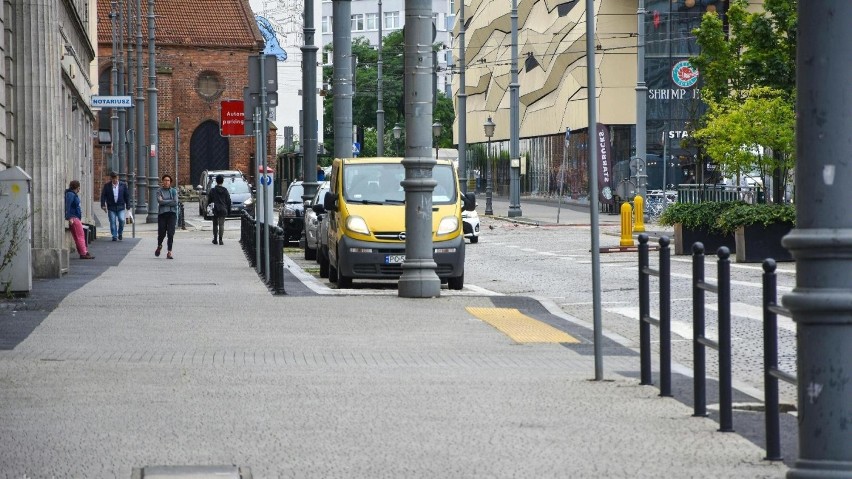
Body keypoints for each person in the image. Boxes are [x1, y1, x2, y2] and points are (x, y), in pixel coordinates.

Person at [64, 180, 94, 259]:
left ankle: (83, 252)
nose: (79, 189)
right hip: (74, 218)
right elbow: (68, 206)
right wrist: (69, 217)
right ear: (77, 187)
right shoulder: (71, 194)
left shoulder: (71, 194)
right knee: (80, 235)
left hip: (75, 217)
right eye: (79, 187)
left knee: (78, 236)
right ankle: (84, 253)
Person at [99, 171, 131, 241]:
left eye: (116, 178)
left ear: (118, 177)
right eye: (113, 178)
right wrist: (103, 205)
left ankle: (120, 233)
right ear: (111, 178)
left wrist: (128, 206)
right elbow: (103, 196)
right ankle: (114, 235)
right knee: (112, 222)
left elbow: (127, 196)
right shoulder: (107, 186)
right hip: (111, 207)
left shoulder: (123, 185)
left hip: (121, 206)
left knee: (122, 220)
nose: (115, 180)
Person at [155, 174, 178, 259]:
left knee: (171, 233)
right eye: (165, 180)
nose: (166, 182)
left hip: (172, 214)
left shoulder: (174, 191)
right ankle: (159, 245)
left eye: (168, 180)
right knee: (161, 233)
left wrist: (164, 200)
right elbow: (160, 202)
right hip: (162, 214)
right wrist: (170, 201)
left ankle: (169, 252)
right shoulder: (159, 191)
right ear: (162, 181)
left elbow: (175, 202)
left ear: (170, 182)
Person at [206, 174, 232, 245]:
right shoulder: (225, 190)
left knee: (215, 224)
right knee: (221, 224)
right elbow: (228, 201)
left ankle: (215, 239)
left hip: (215, 209)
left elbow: (209, 201)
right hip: (223, 209)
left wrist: (207, 210)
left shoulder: (213, 190)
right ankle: (220, 239)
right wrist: (229, 210)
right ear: (222, 181)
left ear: (216, 181)